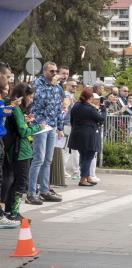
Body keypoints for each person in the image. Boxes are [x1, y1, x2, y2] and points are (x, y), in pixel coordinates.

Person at [4, 84, 45, 222]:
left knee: (17, 181)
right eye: (30, 97)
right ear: (23, 96)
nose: (31, 100)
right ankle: (13, 212)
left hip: (21, 150)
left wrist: (27, 122)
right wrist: (38, 127)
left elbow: (19, 126)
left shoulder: (17, 110)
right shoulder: (16, 109)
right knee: (20, 182)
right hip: (20, 150)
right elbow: (22, 131)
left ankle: (10, 211)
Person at [27, 62, 64, 205]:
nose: (54, 74)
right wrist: (52, 85)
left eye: (56, 71)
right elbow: (41, 100)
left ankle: (44, 190)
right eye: (51, 71)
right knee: (38, 159)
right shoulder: (38, 83)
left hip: (52, 126)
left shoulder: (57, 86)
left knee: (48, 160)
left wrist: (60, 126)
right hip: (40, 125)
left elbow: (59, 106)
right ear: (44, 71)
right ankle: (31, 192)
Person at [68, 88, 106, 186]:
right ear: (89, 98)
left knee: (83, 156)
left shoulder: (75, 106)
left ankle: (87, 176)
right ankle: (83, 179)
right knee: (88, 157)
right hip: (88, 136)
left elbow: (71, 120)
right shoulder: (89, 108)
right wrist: (103, 109)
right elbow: (101, 118)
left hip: (77, 134)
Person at [0, 75, 21, 228]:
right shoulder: (2, 104)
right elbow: (5, 111)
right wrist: (14, 106)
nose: (8, 92)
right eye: (6, 89)